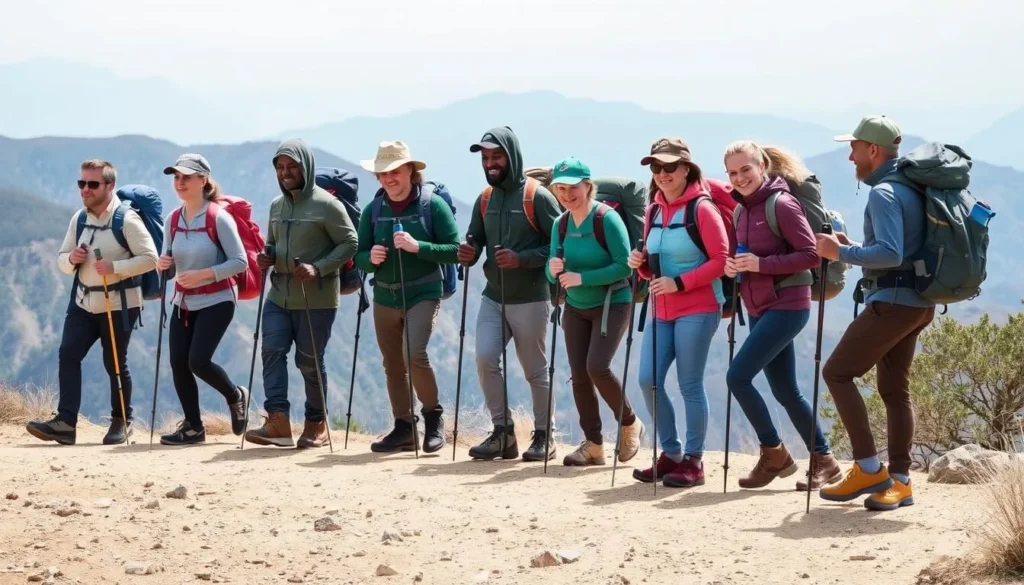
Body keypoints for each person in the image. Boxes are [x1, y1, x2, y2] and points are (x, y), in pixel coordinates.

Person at [816, 116, 935, 510]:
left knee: (836, 372)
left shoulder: (883, 192)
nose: (850, 155)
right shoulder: (911, 187)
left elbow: (891, 253)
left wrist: (840, 253)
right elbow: (897, 248)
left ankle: (868, 468)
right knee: (894, 390)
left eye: (854, 147)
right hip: (919, 303)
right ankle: (899, 482)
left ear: (872, 150)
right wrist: (856, 247)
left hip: (894, 303)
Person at [722, 141, 843, 489]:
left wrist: (760, 265)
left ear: (762, 166)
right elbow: (746, 258)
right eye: (733, 172)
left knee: (737, 377)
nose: (740, 177)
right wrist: (735, 268)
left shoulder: (783, 204)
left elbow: (810, 255)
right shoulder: (739, 211)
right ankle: (826, 461)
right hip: (759, 306)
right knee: (786, 390)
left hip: (789, 305)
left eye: (746, 169)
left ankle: (774, 453)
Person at [26, 159, 159, 445]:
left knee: (114, 362)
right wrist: (70, 259)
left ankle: (121, 420)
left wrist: (115, 268)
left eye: (92, 184)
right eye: (81, 183)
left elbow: (151, 260)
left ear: (109, 186)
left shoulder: (127, 219)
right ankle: (65, 422)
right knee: (68, 354)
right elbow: (62, 259)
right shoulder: (79, 218)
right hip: (83, 302)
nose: (85, 189)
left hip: (120, 304)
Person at [244, 138, 359, 448]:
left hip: (317, 298)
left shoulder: (328, 205)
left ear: (305, 166)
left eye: (291, 166)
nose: (285, 173)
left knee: (308, 361)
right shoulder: (276, 205)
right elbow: (272, 242)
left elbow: (350, 243)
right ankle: (278, 423)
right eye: (280, 168)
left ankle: (316, 423)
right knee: (271, 351)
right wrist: (266, 257)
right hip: (279, 295)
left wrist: (318, 268)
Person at [456, 126, 562, 461]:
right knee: (485, 358)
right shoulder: (485, 198)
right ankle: (503, 434)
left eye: (496, 156)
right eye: (486, 158)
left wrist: (523, 260)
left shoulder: (537, 197)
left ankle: (545, 436)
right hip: (494, 296)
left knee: (534, 370)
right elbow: (474, 240)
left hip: (531, 298)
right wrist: (468, 251)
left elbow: (562, 246)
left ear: (511, 156)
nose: (490, 163)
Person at [627, 137, 727, 488]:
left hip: (698, 307)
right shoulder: (653, 210)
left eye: (670, 167)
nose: (663, 174)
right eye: (656, 168)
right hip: (661, 308)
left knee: (689, 384)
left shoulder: (702, 209)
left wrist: (679, 284)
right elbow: (651, 265)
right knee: (647, 380)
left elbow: (720, 261)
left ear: (686, 168)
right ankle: (671, 454)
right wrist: (639, 265)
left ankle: (694, 462)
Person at [353, 141, 459, 454]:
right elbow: (358, 256)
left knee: (414, 354)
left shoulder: (432, 206)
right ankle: (403, 428)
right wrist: (369, 257)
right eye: (382, 173)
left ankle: (433, 418)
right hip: (385, 296)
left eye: (394, 171)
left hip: (424, 292)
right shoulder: (373, 211)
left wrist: (419, 247)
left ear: (410, 171)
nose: (388, 178)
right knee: (392, 364)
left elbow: (456, 252)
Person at [544, 157, 644, 466]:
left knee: (597, 367)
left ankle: (629, 423)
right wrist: (552, 270)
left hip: (613, 302)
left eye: (573, 187)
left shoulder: (607, 219)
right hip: (577, 306)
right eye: (561, 188)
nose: (567, 194)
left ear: (588, 186)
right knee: (579, 376)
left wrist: (582, 278)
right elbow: (552, 271)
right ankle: (594, 445)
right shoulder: (560, 225)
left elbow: (623, 266)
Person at [156, 153, 249, 445]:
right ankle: (194, 428)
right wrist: (165, 266)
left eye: (186, 177)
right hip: (183, 302)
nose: (180, 182)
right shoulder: (172, 219)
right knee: (178, 363)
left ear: (203, 180)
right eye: (176, 177)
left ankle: (235, 395)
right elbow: (171, 268)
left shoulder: (218, 217)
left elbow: (240, 262)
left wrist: (204, 275)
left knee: (198, 361)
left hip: (218, 299)